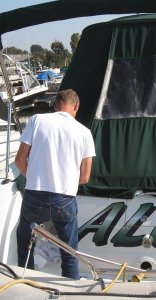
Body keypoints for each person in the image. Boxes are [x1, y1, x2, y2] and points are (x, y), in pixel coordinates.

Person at [15, 89, 96, 279]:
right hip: (64, 199)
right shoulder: (84, 133)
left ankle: (24, 284)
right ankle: (70, 289)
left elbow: (20, 160)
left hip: (35, 195)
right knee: (69, 253)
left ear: (56, 105)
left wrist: (35, 177)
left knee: (25, 245)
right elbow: (84, 177)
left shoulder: (37, 121)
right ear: (75, 106)